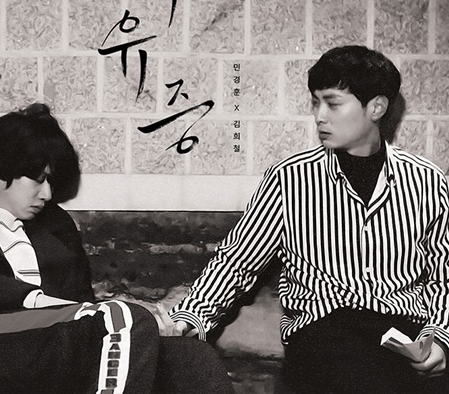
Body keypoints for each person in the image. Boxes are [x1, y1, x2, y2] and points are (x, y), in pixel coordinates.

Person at [164, 45, 449, 394]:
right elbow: (236, 262)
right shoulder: (290, 179)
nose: (319, 116)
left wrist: (439, 339)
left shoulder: (427, 181)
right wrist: (190, 317)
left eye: (332, 103)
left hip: (400, 340)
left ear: (376, 107)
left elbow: (443, 276)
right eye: (315, 103)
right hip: (322, 338)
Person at [0, 103, 234, 394]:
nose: (47, 194)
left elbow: (82, 308)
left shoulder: (55, 227)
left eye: (52, 181)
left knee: (188, 355)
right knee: (124, 316)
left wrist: (152, 325)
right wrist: (35, 299)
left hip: (51, 348)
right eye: (38, 179)